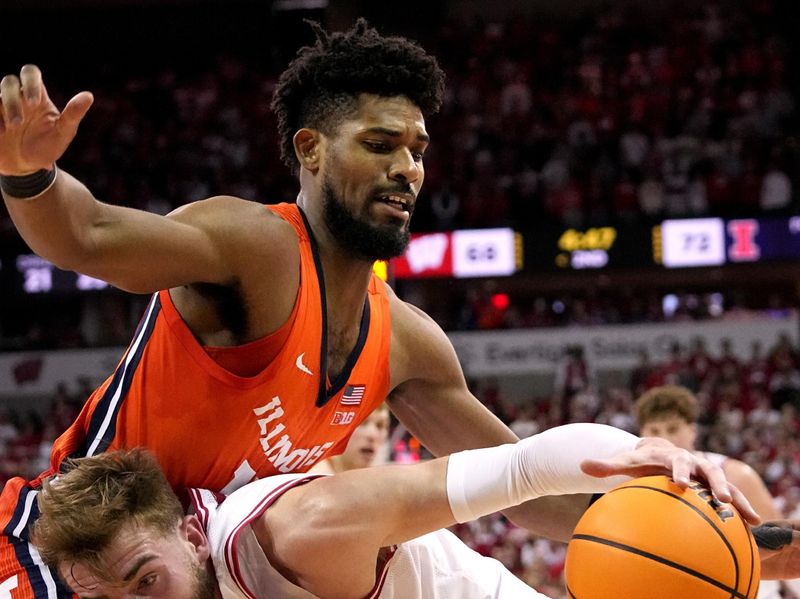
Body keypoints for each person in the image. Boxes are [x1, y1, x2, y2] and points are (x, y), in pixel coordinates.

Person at [2, 20, 755, 598]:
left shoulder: (406, 344)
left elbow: (527, 491)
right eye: (381, 142)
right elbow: (90, 234)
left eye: (419, 148)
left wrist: (706, 537)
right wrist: (31, 174)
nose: (407, 167)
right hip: (74, 548)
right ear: (312, 150)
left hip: (204, 565)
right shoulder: (256, 249)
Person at [31, 424, 751, 599]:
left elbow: (517, 467)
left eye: (145, 581)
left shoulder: (296, 532)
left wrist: (637, 450)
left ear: (191, 533)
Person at [634, 384, 784, 599]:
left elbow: (784, 545)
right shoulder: (631, 485)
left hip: (748, 588)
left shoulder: (735, 473)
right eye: (655, 431)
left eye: (673, 429)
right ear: (642, 435)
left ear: (692, 430)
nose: (665, 439)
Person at [310, 403, 390, 473]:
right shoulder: (316, 473)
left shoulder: (379, 476)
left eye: (380, 425)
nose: (373, 435)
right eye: (361, 422)